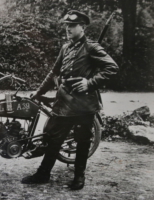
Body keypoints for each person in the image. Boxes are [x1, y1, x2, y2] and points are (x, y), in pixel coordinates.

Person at [21, 10, 119, 190]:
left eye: (72, 25)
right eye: (67, 25)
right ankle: (43, 174)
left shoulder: (92, 47)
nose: (68, 28)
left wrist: (90, 83)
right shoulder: (65, 47)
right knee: (52, 139)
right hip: (64, 102)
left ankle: (79, 178)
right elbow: (54, 72)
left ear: (82, 27)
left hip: (84, 105)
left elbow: (112, 67)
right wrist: (38, 92)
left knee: (82, 141)